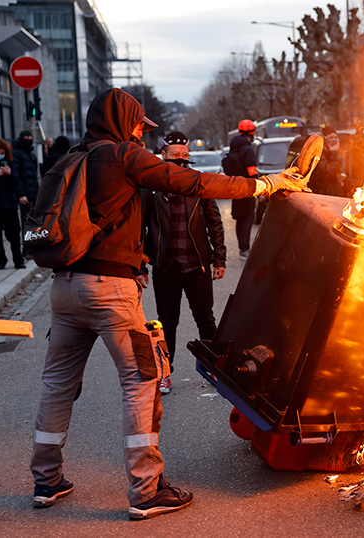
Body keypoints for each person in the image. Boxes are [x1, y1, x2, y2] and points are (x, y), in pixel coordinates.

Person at [29, 88, 307, 519]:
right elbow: (192, 182)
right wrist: (263, 185)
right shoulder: (124, 156)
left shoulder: (71, 158)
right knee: (142, 382)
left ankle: (46, 480)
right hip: (110, 290)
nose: (141, 132)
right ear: (125, 122)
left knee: (57, 384)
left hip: (63, 288)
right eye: (139, 124)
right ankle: (146, 489)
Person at [141, 131, 226, 395]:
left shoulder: (198, 185)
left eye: (185, 156)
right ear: (163, 155)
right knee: (166, 323)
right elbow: (138, 227)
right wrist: (139, 264)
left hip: (196, 264)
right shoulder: (151, 188)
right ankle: (165, 374)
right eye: (175, 155)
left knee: (205, 319)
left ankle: (215, 368)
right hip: (165, 267)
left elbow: (215, 223)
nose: (181, 160)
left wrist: (219, 258)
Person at [0, 138, 27, 270]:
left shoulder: (10, 164)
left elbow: (16, 182)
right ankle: (0, 260)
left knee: (14, 234)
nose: (0, 154)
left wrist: (9, 174)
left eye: (2, 152)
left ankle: (18, 260)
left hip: (9, 204)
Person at [225, 119, 258, 259]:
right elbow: (252, 172)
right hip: (247, 189)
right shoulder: (248, 149)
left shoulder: (234, 147)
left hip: (235, 188)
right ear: (252, 133)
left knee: (240, 219)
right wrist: (258, 186)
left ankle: (242, 248)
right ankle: (245, 250)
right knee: (248, 220)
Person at [12, 130, 39, 259]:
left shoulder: (31, 155)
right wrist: (21, 194)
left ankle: (31, 247)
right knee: (26, 222)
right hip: (25, 195)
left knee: (33, 223)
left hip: (33, 194)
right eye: (26, 137)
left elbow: (34, 176)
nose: (29, 139)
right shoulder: (17, 154)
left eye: (30, 137)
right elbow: (16, 176)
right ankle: (26, 248)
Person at [308, 126, 345, 196]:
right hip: (324, 193)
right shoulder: (319, 153)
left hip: (333, 191)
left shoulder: (332, 152)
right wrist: (334, 153)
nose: (334, 140)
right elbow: (330, 171)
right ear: (325, 139)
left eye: (336, 137)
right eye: (331, 137)